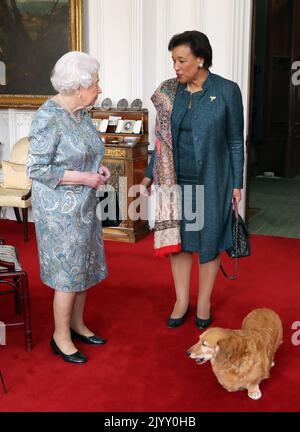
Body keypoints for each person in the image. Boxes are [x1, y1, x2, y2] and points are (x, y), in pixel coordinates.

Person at [141, 31, 244, 329]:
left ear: (200, 59)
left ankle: (205, 301)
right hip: (174, 181)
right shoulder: (170, 91)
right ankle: (181, 300)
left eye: (182, 60)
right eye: (173, 60)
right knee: (180, 241)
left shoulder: (226, 90)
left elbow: (236, 141)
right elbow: (161, 140)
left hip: (213, 180)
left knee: (208, 240)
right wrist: (149, 175)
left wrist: (237, 183)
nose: (176, 67)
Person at [27, 51, 111, 364]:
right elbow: (37, 168)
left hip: (84, 205)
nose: (100, 88)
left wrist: (99, 169)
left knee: (84, 266)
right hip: (59, 211)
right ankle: (60, 337)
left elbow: (88, 152)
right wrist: (83, 177)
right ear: (78, 86)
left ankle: (77, 325)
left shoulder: (82, 113)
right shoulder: (48, 117)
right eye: (96, 83)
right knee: (68, 272)